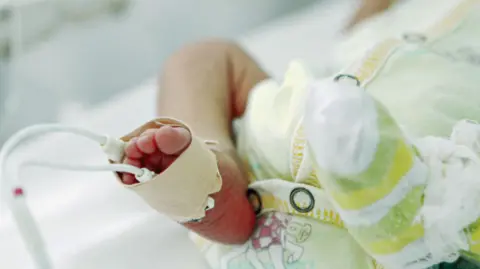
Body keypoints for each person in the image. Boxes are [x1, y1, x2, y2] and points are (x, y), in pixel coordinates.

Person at [116, 0, 480, 268]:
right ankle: (208, 172)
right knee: (199, 59)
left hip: (443, 165)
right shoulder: (372, 26)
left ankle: (411, 224)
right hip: (295, 140)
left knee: (452, 190)